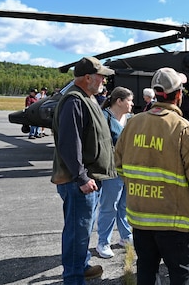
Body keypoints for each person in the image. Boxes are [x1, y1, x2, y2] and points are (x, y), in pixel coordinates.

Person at [115, 67, 189, 284]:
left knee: (146, 273)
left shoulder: (132, 124)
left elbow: (120, 167)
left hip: (141, 221)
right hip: (176, 224)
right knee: (181, 276)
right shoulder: (184, 130)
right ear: (178, 95)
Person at [51, 56, 116, 284]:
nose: (104, 81)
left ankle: (81, 265)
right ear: (88, 77)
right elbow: (70, 143)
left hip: (88, 180)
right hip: (79, 182)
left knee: (83, 230)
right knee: (77, 232)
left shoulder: (87, 98)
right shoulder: (74, 101)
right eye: (101, 77)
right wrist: (81, 177)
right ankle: (73, 278)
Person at [95, 86, 134, 259]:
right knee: (109, 206)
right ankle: (103, 241)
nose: (132, 104)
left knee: (124, 205)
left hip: (129, 170)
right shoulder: (104, 118)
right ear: (119, 101)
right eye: (129, 100)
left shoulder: (131, 119)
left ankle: (125, 237)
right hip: (112, 171)